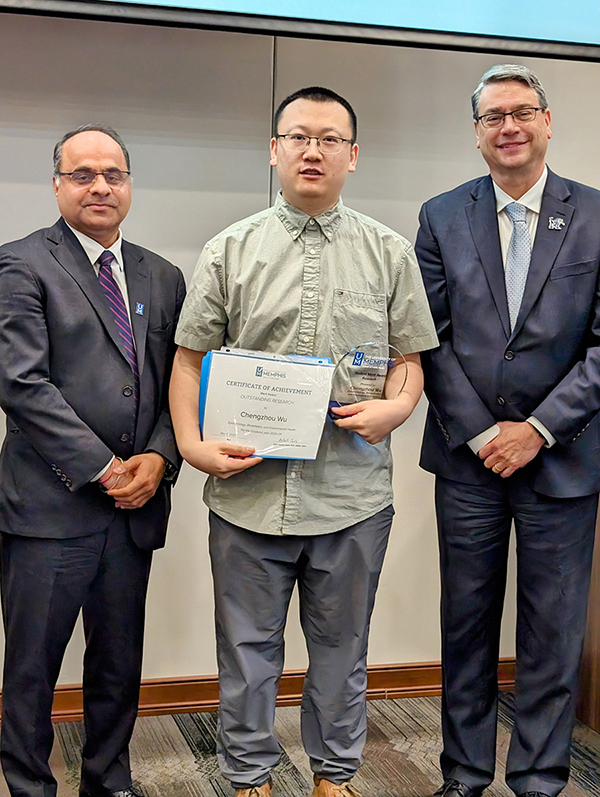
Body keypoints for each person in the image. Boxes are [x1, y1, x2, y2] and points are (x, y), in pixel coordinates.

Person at [170, 86, 438, 797]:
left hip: (352, 495)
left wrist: (398, 408)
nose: (311, 150)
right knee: (246, 652)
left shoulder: (389, 252)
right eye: (297, 136)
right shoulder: (231, 248)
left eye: (328, 138)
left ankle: (335, 776)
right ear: (274, 150)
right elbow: (190, 358)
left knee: (342, 652)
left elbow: (410, 360)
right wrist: (194, 447)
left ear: (353, 155)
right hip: (247, 493)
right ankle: (251, 776)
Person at [415, 64, 600, 797]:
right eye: (493, 116)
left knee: (553, 632)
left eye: (523, 112)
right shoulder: (440, 214)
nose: (510, 126)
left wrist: (539, 429)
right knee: (465, 623)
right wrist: (483, 430)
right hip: (469, 459)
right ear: (477, 133)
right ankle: (462, 773)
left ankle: (539, 777)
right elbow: (426, 335)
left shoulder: (594, 214)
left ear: (548, 122)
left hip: (566, 457)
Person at [0, 124, 186, 797]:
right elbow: (21, 383)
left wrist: (161, 459)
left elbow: (178, 386)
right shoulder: (19, 264)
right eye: (83, 174)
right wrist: (107, 466)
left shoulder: (163, 276)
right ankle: (27, 785)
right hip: (50, 509)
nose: (100, 186)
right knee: (32, 669)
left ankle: (109, 780)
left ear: (129, 184)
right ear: (58, 185)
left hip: (132, 513)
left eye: (113, 173)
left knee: (118, 663)